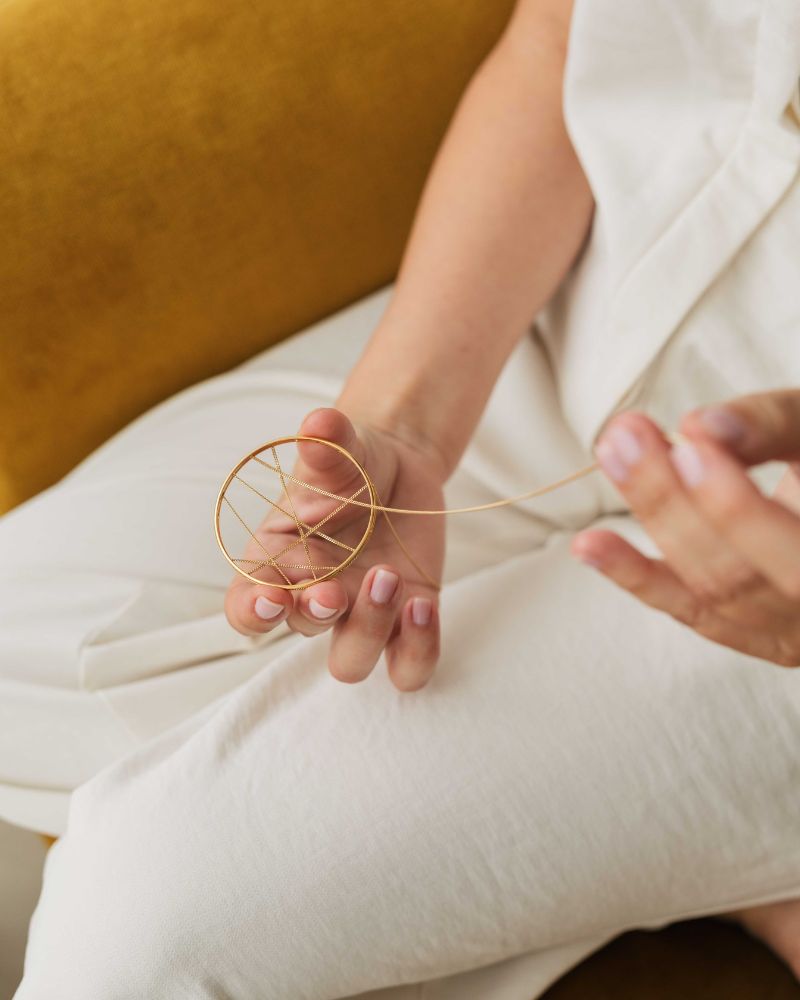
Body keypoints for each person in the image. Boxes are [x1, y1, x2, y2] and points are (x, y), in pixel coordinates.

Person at [4, 0, 799, 996]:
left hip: (778, 589)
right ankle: (684, 859)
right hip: (564, 310)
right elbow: (561, 35)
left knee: (141, 929)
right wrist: (405, 428)